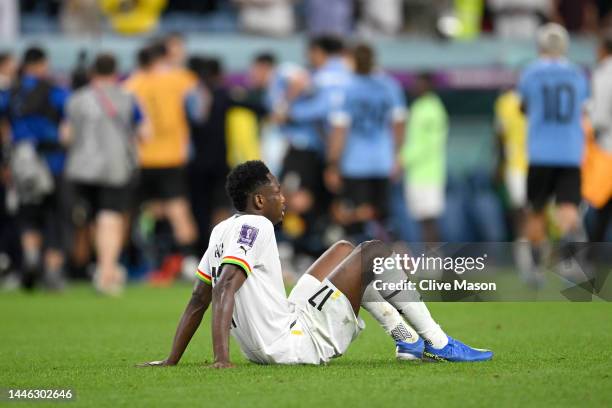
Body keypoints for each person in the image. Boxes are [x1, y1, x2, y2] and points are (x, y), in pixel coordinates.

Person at [138, 160, 493, 367]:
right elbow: (226, 286)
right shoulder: (257, 225)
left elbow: (199, 297)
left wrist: (173, 359)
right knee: (373, 253)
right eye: (278, 193)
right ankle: (437, 340)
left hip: (279, 329)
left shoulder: (222, 230)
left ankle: (405, 340)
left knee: (342, 250)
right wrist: (221, 359)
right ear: (260, 200)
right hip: (295, 342)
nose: (284, 200)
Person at [64, 53, 147, 295]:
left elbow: (66, 135)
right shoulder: (128, 98)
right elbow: (145, 132)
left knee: (90, 219)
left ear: (92, 72)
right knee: (109, 219)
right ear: (116, 71)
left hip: (81, 169)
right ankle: (107, 270)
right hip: (115, 168)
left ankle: (99, 267)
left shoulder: (77, 99)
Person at [518, 23, 590, 280]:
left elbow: (524, 107)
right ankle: (568, 258)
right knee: (569, 207)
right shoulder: (577, 74)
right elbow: (581, 109)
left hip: (540, 151)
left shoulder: (531, 73)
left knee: (537, 209)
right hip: (570, 150)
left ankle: (536, 267)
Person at [124, 41, 200, 283]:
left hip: (141, 158)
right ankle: (189, 262)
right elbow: (198, 102)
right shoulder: (180, 78)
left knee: (129, 214)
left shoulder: (132, 83)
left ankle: (122, 262)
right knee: (179, 212)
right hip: (171, 157)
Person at [2, 47, 70, 290]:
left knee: (28, 215)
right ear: (42, 64)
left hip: (22, 162)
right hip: (52, 161)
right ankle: (52, 270)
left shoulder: (11, 92)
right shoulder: (55, 92)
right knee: (56, 217)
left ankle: (30, 257)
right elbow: (68, 122)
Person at [326, 43, 406, 241]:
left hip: (355, 165)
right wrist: (396, 156)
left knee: (354, 222)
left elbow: (339, 131)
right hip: (382, 163)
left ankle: (360, 269)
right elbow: (399, 124)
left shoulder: (346, 88)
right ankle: (392, 268)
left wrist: (333, 164)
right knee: (385, 221)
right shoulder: (390, 86)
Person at [401, 73, 448, 243]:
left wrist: (403, 160)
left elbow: (429, 145)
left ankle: (435, 262)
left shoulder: (433, 110)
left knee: (430, 219)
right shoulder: (417, 107)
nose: (415, 87)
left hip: (429, 173)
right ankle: (430, 261)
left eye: (419, 84)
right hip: (415, 173)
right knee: (422, 219)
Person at [586, 30, 612, 242]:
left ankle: (589, 260)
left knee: (598, 207)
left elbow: (599, 118)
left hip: (607, 150)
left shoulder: (604, 73)